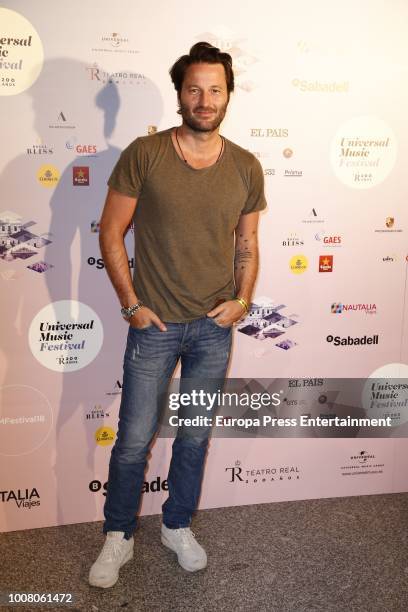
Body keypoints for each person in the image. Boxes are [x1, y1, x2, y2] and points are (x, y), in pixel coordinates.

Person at [89, 41, 267, 588]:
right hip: (156, 327)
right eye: (195, 89)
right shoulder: (144, 155)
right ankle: (118, 536)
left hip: (213, 331)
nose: (205, 99)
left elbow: (248, 243)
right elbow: (109, 233)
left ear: (229, 95)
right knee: (135, 441)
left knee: (193, 436)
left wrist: (241, 302)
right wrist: (131, 305)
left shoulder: (245, 165)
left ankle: (176, 526)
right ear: (180, 95)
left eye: (215, 89)